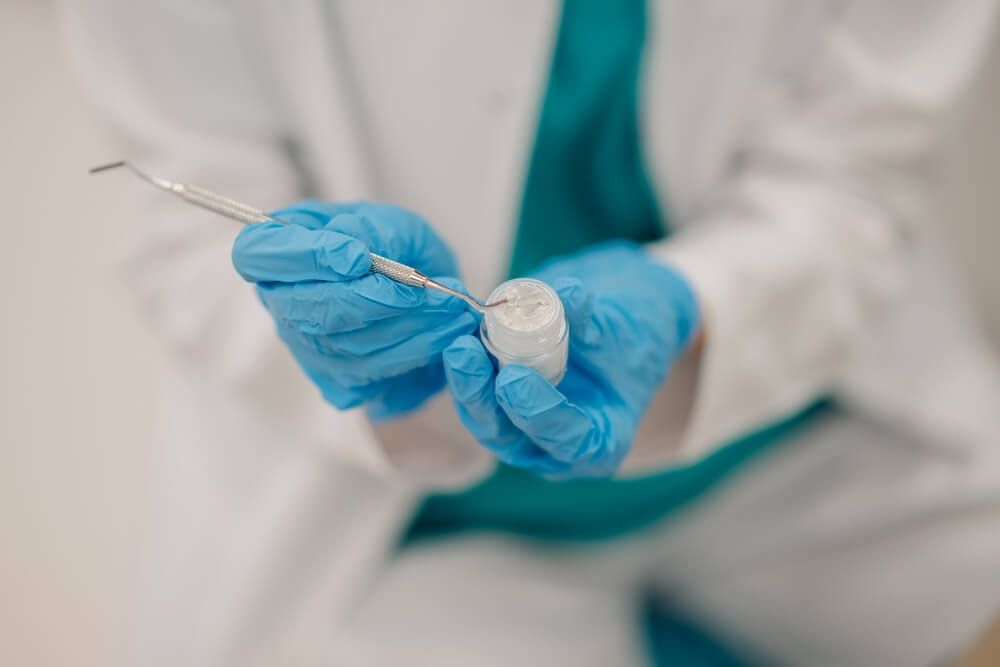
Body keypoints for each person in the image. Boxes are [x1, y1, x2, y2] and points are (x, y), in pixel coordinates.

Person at [62, 1, 1000, 665]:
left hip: (798, 436)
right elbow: (189, 224)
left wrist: (692, 302)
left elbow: (857, 176)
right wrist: (319, 324)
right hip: (412, 529)